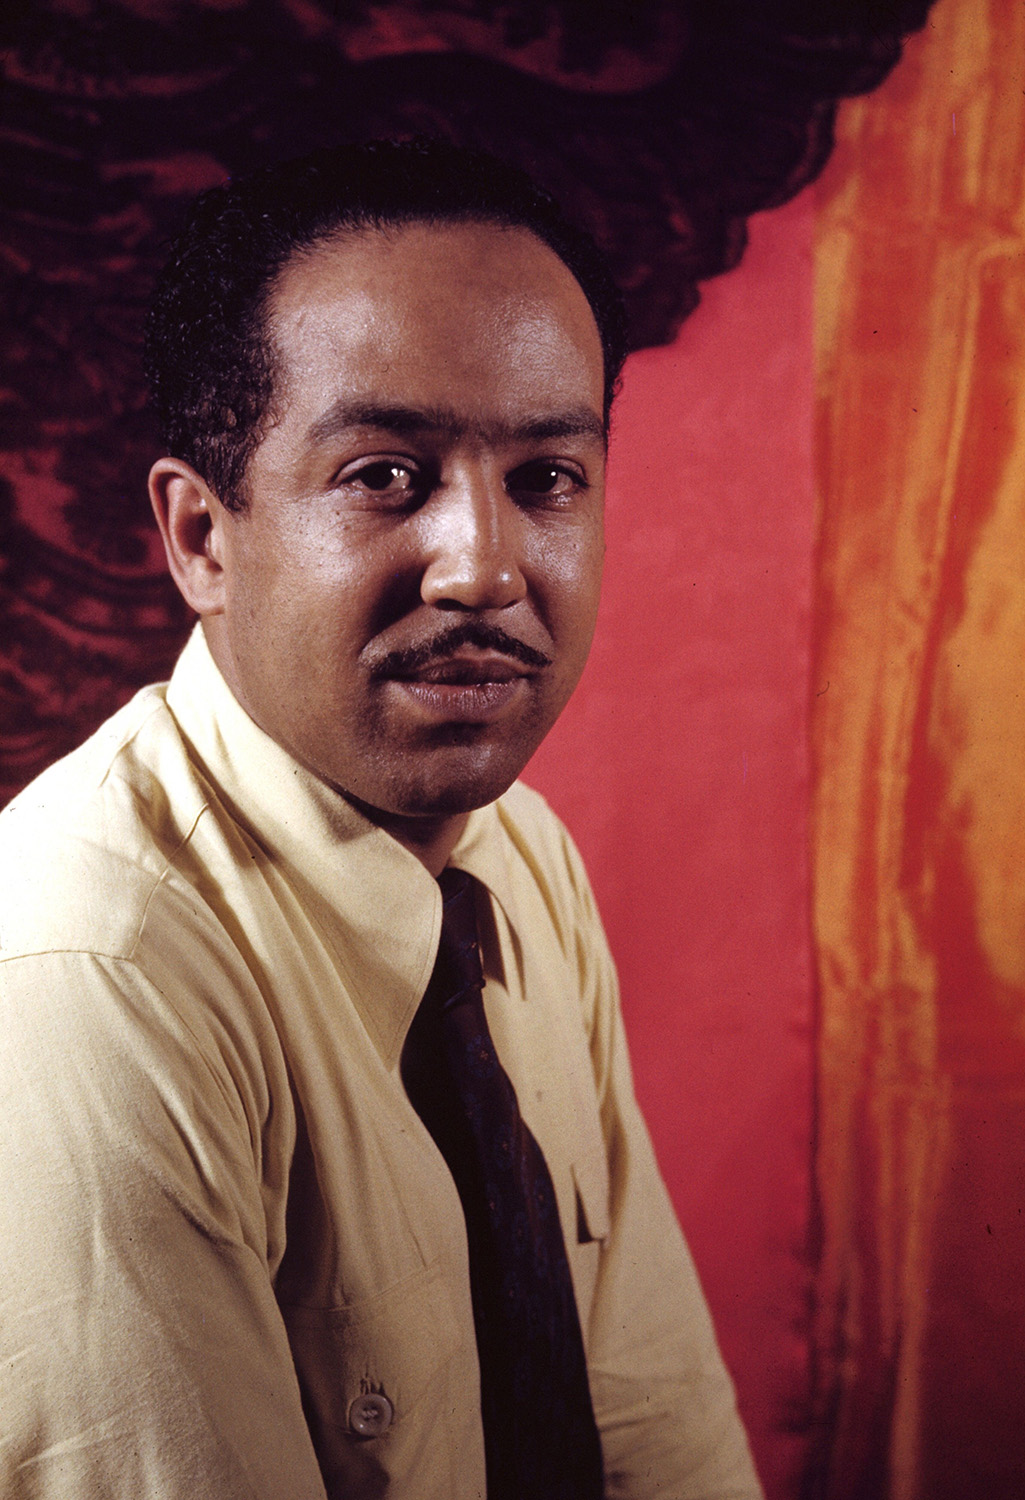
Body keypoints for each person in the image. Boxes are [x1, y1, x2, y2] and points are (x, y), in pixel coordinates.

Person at [0, 140, 762, 1500]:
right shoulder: (91, 975)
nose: (483, 568)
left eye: (546, 478)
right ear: (202, 538)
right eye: (384, 475)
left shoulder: (520, 861)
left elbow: (659, 1431)